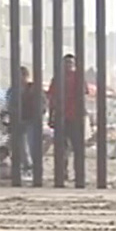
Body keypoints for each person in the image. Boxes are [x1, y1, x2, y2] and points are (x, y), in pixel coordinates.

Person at [47, 54, 87, 182]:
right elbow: (52, 98)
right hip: (62, 117)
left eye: (70, 63)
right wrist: (51, 116)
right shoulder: (57, 78)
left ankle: (78, 173)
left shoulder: (78, 77)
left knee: (77, 147)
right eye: (66, 62)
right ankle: (62, 172)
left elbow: (84, 95)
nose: (68, 65)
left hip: (75, 117)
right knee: (62, 147)